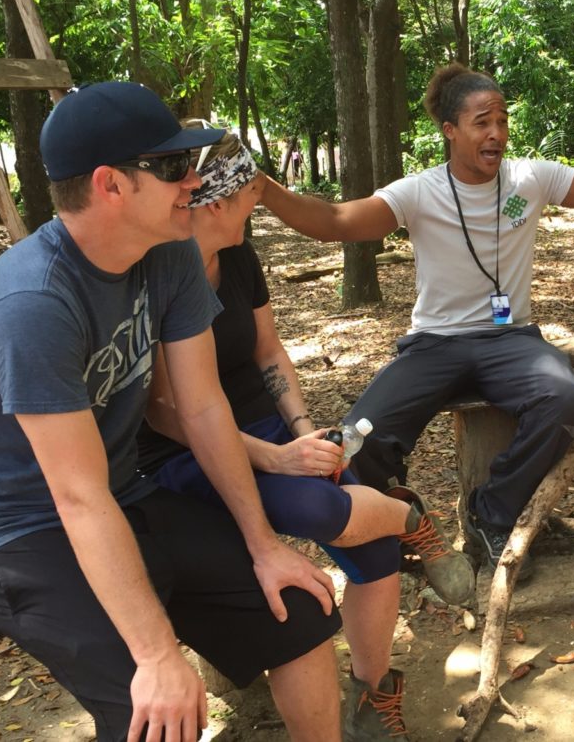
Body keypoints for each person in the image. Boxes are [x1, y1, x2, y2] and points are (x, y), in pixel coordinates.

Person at [0, 82, 344, 742]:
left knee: (297, 610)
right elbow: (74, 497)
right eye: (171, 168)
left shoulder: (169, 252)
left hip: (123, 495)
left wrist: (264, 545)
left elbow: (202, 406)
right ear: (110, 185)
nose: (194, 182)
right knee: (154, 711)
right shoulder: (33, 305)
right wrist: (158, 655)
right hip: (17, 531)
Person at [258, 62, 574, 578]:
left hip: (510, 338)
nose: (496, 133)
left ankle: (491, 513)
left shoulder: (529, 179)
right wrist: (267, 190)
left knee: (563, 397)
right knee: (361, 437)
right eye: (481, 121)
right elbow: (336, 222)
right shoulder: (419, 192)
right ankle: (398, 519)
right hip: (436, 342)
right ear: (450, 131)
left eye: (502, 120)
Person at [136, 122, 475, 739]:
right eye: (253, 192)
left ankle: (374, 695)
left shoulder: (237, 254)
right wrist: (276, 458)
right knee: (318, 506)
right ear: (215, 198)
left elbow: (268, 352)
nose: (261, 203)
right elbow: (170, 411)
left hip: (265, 428)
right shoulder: (159, 269)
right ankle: (404, 515)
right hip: (182, 452)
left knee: (367, 550)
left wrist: (304, 433)